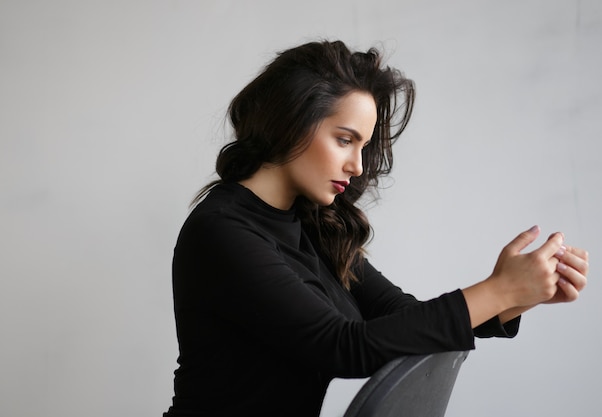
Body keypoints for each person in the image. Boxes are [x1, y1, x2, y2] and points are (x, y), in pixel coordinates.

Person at [163, 40, 588, 417]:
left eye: (363, 146)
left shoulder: (313, 223)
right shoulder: (220, 232)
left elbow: (401, 319)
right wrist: (500, 289)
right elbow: (345, 346)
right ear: (289, 121)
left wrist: (518, 296)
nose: (358, 166)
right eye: (345, 140)